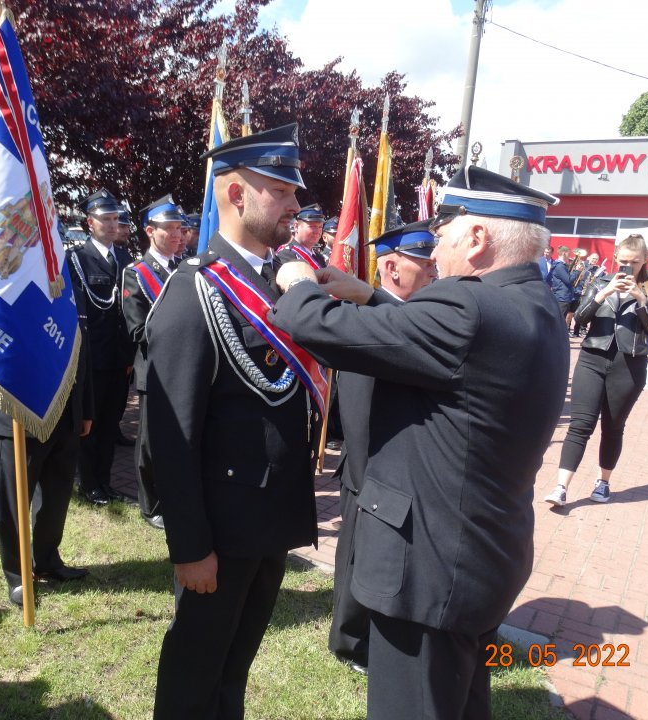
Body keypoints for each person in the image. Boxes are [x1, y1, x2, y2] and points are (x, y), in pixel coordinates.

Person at [271, 166, 569, 720]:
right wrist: (370, 294)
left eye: (442, 240)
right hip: (479, 556)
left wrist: (296, 286)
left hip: (429, 569)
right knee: (458, 702)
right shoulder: (535, 303)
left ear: (477, 240)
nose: (436, 255)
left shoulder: (467, 308)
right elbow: (439, 347)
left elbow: (342, 335)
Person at [147, 124, 320, 720]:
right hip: (219, 532)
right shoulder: (193, 291)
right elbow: (171, 434)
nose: (296, 204)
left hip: (266, 521)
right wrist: (190, 546)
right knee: (194, 670)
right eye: (281, 189)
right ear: (236, 194)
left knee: (232, 668)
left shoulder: (276, 280)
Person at [328, 220, 437, 675]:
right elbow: (359, 404)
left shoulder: (420, 315)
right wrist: (368, 467)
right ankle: (351, 641)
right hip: (371, 461)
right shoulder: (371, 319)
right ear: (391, 267)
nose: (434, 271)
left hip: (401, 466)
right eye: (425, 263)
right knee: (357, 550)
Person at [545, 233, 648, 507]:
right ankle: (560, 487)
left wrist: (640, 301)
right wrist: (603, 293)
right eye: (623, 261)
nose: (628, 267)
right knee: (580, 425)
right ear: (615, 259)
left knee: (613, 427)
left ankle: (603, 482)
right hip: (592, 358)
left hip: (629, 363)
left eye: (634, 262)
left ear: (643, 261)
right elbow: (580, 318)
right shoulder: (600, 281)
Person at [0, 308, 93, 607]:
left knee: (56, 496)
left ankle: (47, 559)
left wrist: (85, 408)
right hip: (21, 414)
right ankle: (17, 575)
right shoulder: (12, 279)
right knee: (14, 502)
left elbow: (81, 345)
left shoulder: (65, 277)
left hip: (66, 412)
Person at [66, 188, 135, 504]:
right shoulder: (77, 260)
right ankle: (89, 483)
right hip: (91, 357)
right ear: (88, 223)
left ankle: (106, 482)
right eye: (104, 219)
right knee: (89, 425)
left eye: (115, 219)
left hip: (119, 358)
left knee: (110, 424)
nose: (112, 225)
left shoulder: (124, 259)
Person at [121, 193, 184, 530]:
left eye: (179, 228)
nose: (176, 235)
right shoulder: (136, 273)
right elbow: (136, 329)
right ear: (149, 231)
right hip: (156, 370)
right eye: (168, 229)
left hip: (185, 369)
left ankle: (175, 495)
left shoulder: (187, 268)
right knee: (151, 442)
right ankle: (151, 504)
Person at [277, 203, 327, 268]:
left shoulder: (320, 258)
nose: (317, 231)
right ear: (296, 227)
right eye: (312, 226)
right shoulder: (286, 255)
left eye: (320, 227)